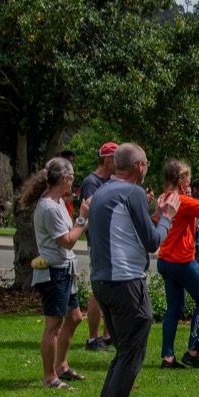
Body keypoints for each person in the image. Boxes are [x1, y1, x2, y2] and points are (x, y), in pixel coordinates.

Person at [87, 143, 180, 397]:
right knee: (132, 352)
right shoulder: (133, 192)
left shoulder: (103, 191)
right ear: (139, 166)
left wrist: (153, 215)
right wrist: (167, 216)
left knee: (123, 350)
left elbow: (128, 230)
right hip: (126, 281)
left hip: (103, 280)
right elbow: (153, 241)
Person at [20, 157, 89, 389]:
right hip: (53, 273)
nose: (73, 183)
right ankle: (50, 377)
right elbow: (67, 240)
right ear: (66, 178)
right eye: (72, 178)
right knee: (53, 324)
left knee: (75, 317)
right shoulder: (48, 207)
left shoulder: (58, 202)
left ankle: (62, 366)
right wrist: (82, 219)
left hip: (65, 270)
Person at [156, 160, 199, 370]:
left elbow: (191, 218)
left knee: (174, 309)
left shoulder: (164, 198)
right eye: (187, 176)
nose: (189, 180)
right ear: (180, 179)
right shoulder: (183, 200)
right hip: (182, 261)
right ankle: (192, 351)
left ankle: (168, 356)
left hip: (165, 260)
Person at [79, 142, 119, 352]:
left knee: (110, 288)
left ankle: (107, 335)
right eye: (116, 157)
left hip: (111, 242)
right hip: (97, 242)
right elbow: (90, 209)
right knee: (98, 289)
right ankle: (93, 339)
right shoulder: (91, 182)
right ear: (107, 159)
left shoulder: (111, 181)